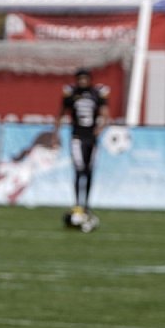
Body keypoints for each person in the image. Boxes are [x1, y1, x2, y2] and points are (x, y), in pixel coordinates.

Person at [57, 67, 109, 222]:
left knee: (89, 171)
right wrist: (55, 133)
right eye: (80, 79)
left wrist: (100, 128)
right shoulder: (72, 93)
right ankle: (77, 204)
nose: (82, 81)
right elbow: (61, 113)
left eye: (85, 78)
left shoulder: (96, 93)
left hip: (91, 138)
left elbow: (105, 113)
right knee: (79, 170)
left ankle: (86, 204)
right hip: (77, 137)